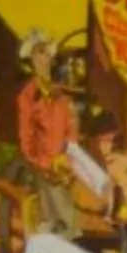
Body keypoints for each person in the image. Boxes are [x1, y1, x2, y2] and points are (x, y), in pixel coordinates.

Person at [13, 31, 79, 238]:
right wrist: (44, 163)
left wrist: (66, 161)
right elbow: (26, 138)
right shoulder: (27, 96)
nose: (44, 58)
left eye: (46, 53)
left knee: (69, 213)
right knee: (60, 218)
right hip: (43, 167)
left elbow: (71, 132)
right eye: (39, 53)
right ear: (31, 60)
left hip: (64, 166)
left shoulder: (62, 97)